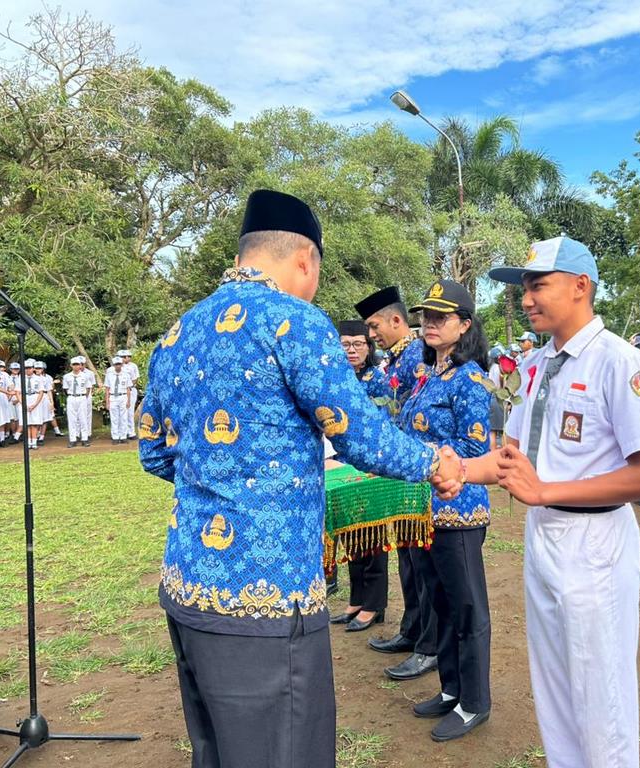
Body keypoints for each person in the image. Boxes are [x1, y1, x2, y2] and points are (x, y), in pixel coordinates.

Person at [138, 189, 463, 768]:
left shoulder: (177, 332)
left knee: (217, 750)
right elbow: (359, 435)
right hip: (268, 591)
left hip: (187, 584)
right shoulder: (295, 321)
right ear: (305, 261)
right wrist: (436, 463)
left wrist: (222, 477)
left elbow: (154, 453)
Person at [443, 236, 640, 767]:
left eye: (538, 286)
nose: (526, 299)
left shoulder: (618, 361)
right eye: (524, 288)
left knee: (600, 692)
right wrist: (451, 470)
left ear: (580, 286)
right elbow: (512, 459)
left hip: (595, 542)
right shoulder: (539, 363)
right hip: (544, 534)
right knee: (555, 684)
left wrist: (546, 492)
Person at [400, 280, 493, 742]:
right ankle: (451, 689)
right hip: (423, 508)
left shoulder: (470, 379)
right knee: (438, 601)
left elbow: (474, 447)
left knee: (467, 606)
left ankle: (474, 702)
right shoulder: (429, 376)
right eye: (426, 316)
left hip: (457, 509)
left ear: (465, 325)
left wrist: (422, 456)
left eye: (441, 317)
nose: (430, 324)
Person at [356, 286, 439, 680]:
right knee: (407, 558)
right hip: (399, 472)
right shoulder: (395, 358)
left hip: (418, 471)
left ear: (395, 320)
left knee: (423, 563)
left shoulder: (418, 355)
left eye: (375, 327)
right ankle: (411, 629)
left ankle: (429, 646)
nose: (372, 335)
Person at [328, 319, 389, 632]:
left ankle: (374, 604)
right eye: (345, 344)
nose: (351, 350)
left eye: (358, 344)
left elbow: (382, 422)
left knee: (372, 535)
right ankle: (356, 599)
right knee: (351, 533)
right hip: (340, 467)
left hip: (368, 466)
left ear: (369, 346)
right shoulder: (336, 378)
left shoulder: (377, 380)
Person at [62, 356, 94, 447]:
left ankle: (85, 438)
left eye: (77, 364)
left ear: (80, 365)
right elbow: (65, 389)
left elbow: (88, 388)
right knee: (72, 419)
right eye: (74, 364)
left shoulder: (85, 376)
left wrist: (84, 397)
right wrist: (71, 396)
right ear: (71, 365)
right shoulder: (67, 376)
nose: (76, 366)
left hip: (82, 397)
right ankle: (73, 439)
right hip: (71, 397)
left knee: (83, 418)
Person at [104, 356, 133, 445]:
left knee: (123, 417)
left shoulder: (126, 375)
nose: (118, 366)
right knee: (114, 418)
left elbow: (128, 389)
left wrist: (128, 401)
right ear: (113, 365)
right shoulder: (109, 375)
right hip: (113, 397)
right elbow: (107, 389)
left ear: (122, 365)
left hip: (123, 396)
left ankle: (123, 436)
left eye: (119, 364)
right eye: (116, 364)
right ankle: (115, 437)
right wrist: (107, 402)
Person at [118, 349, 140, 440]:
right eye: (124, 357)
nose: (126, 358)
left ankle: (131, 433)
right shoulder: (116, 367)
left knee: (130, 412)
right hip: (120, 392)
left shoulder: (133, 366)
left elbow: (135, 378)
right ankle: (122, 432)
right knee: (121, 412)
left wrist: (129, 386)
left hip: (130, 390)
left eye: (128, 356)